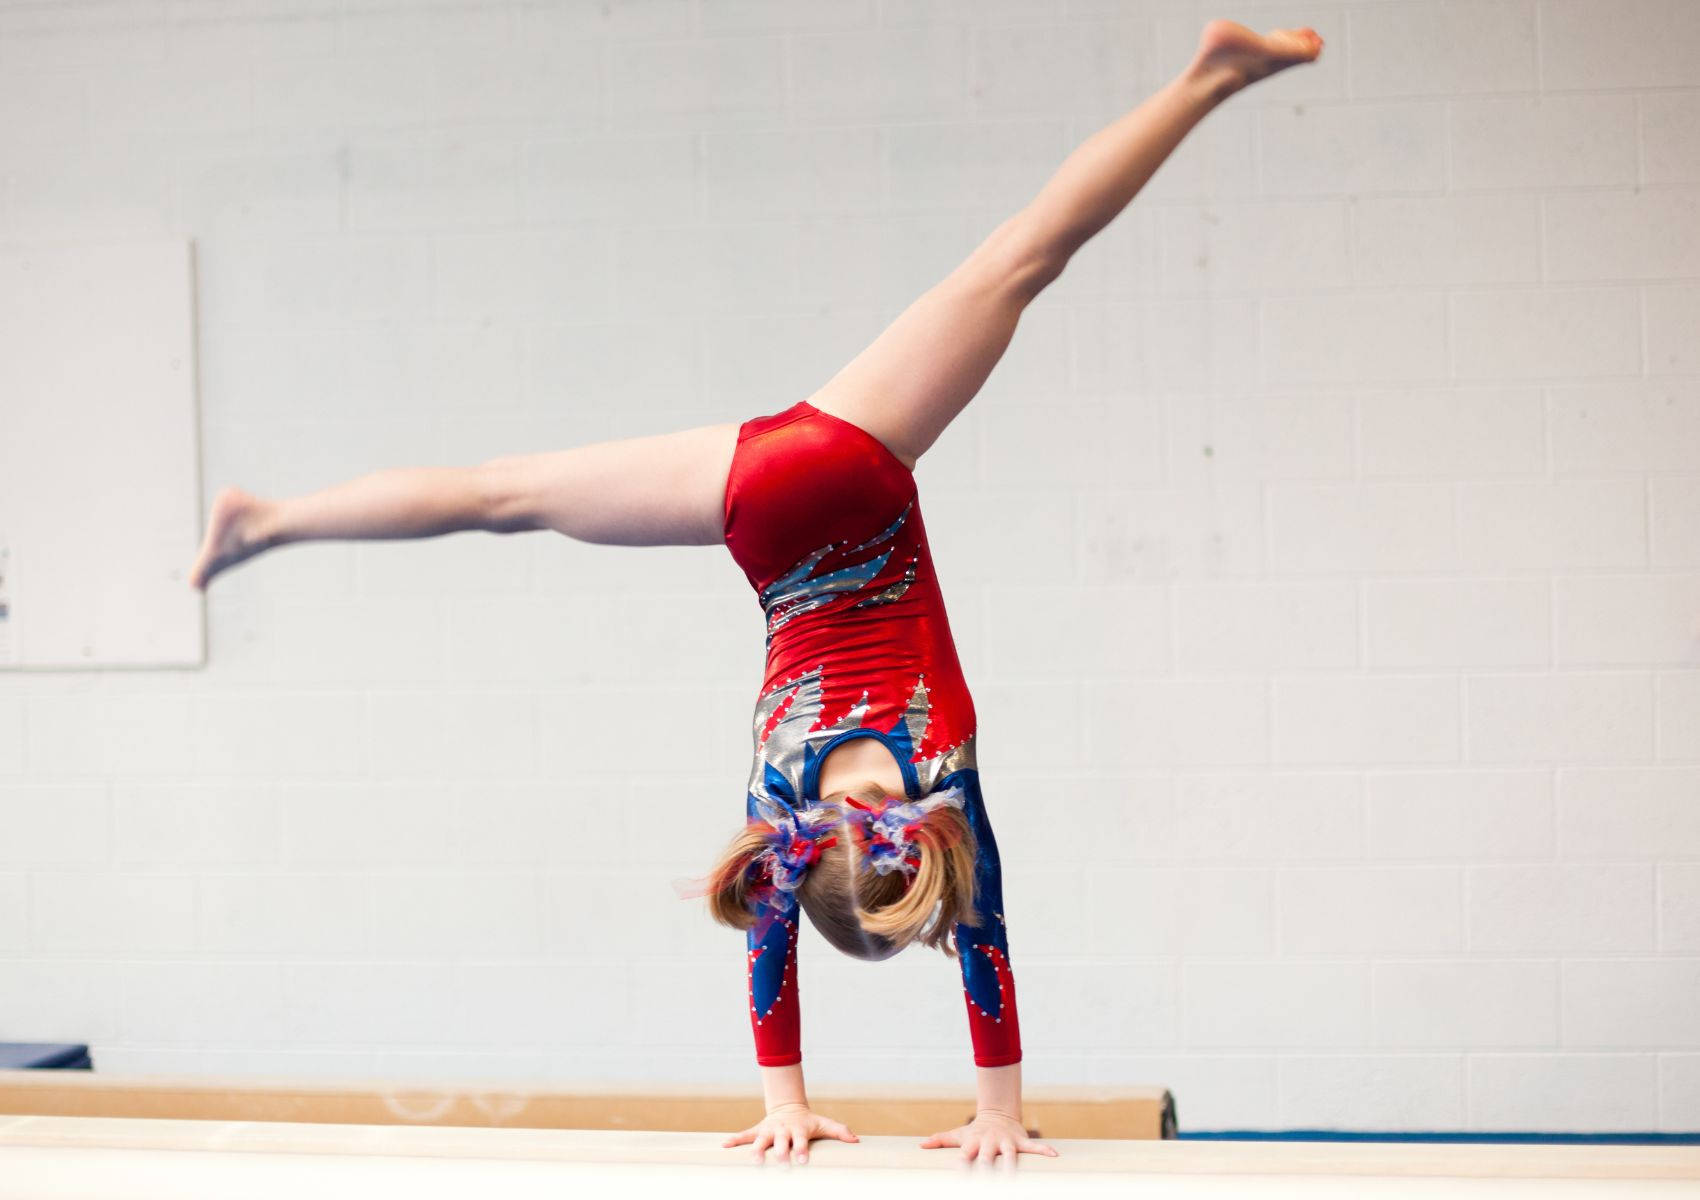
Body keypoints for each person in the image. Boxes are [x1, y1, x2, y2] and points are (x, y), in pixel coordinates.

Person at [188, 19, 1323, 1167]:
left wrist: (996, 1110)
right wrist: (781, 1099)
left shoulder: (940, 782)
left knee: (1024, 258)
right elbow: (772, 952)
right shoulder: (780, 805)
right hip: (755, 508)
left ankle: (1207, 79)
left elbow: (986, 942)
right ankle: (269, 522)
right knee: (505, 494)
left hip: (851, 463)